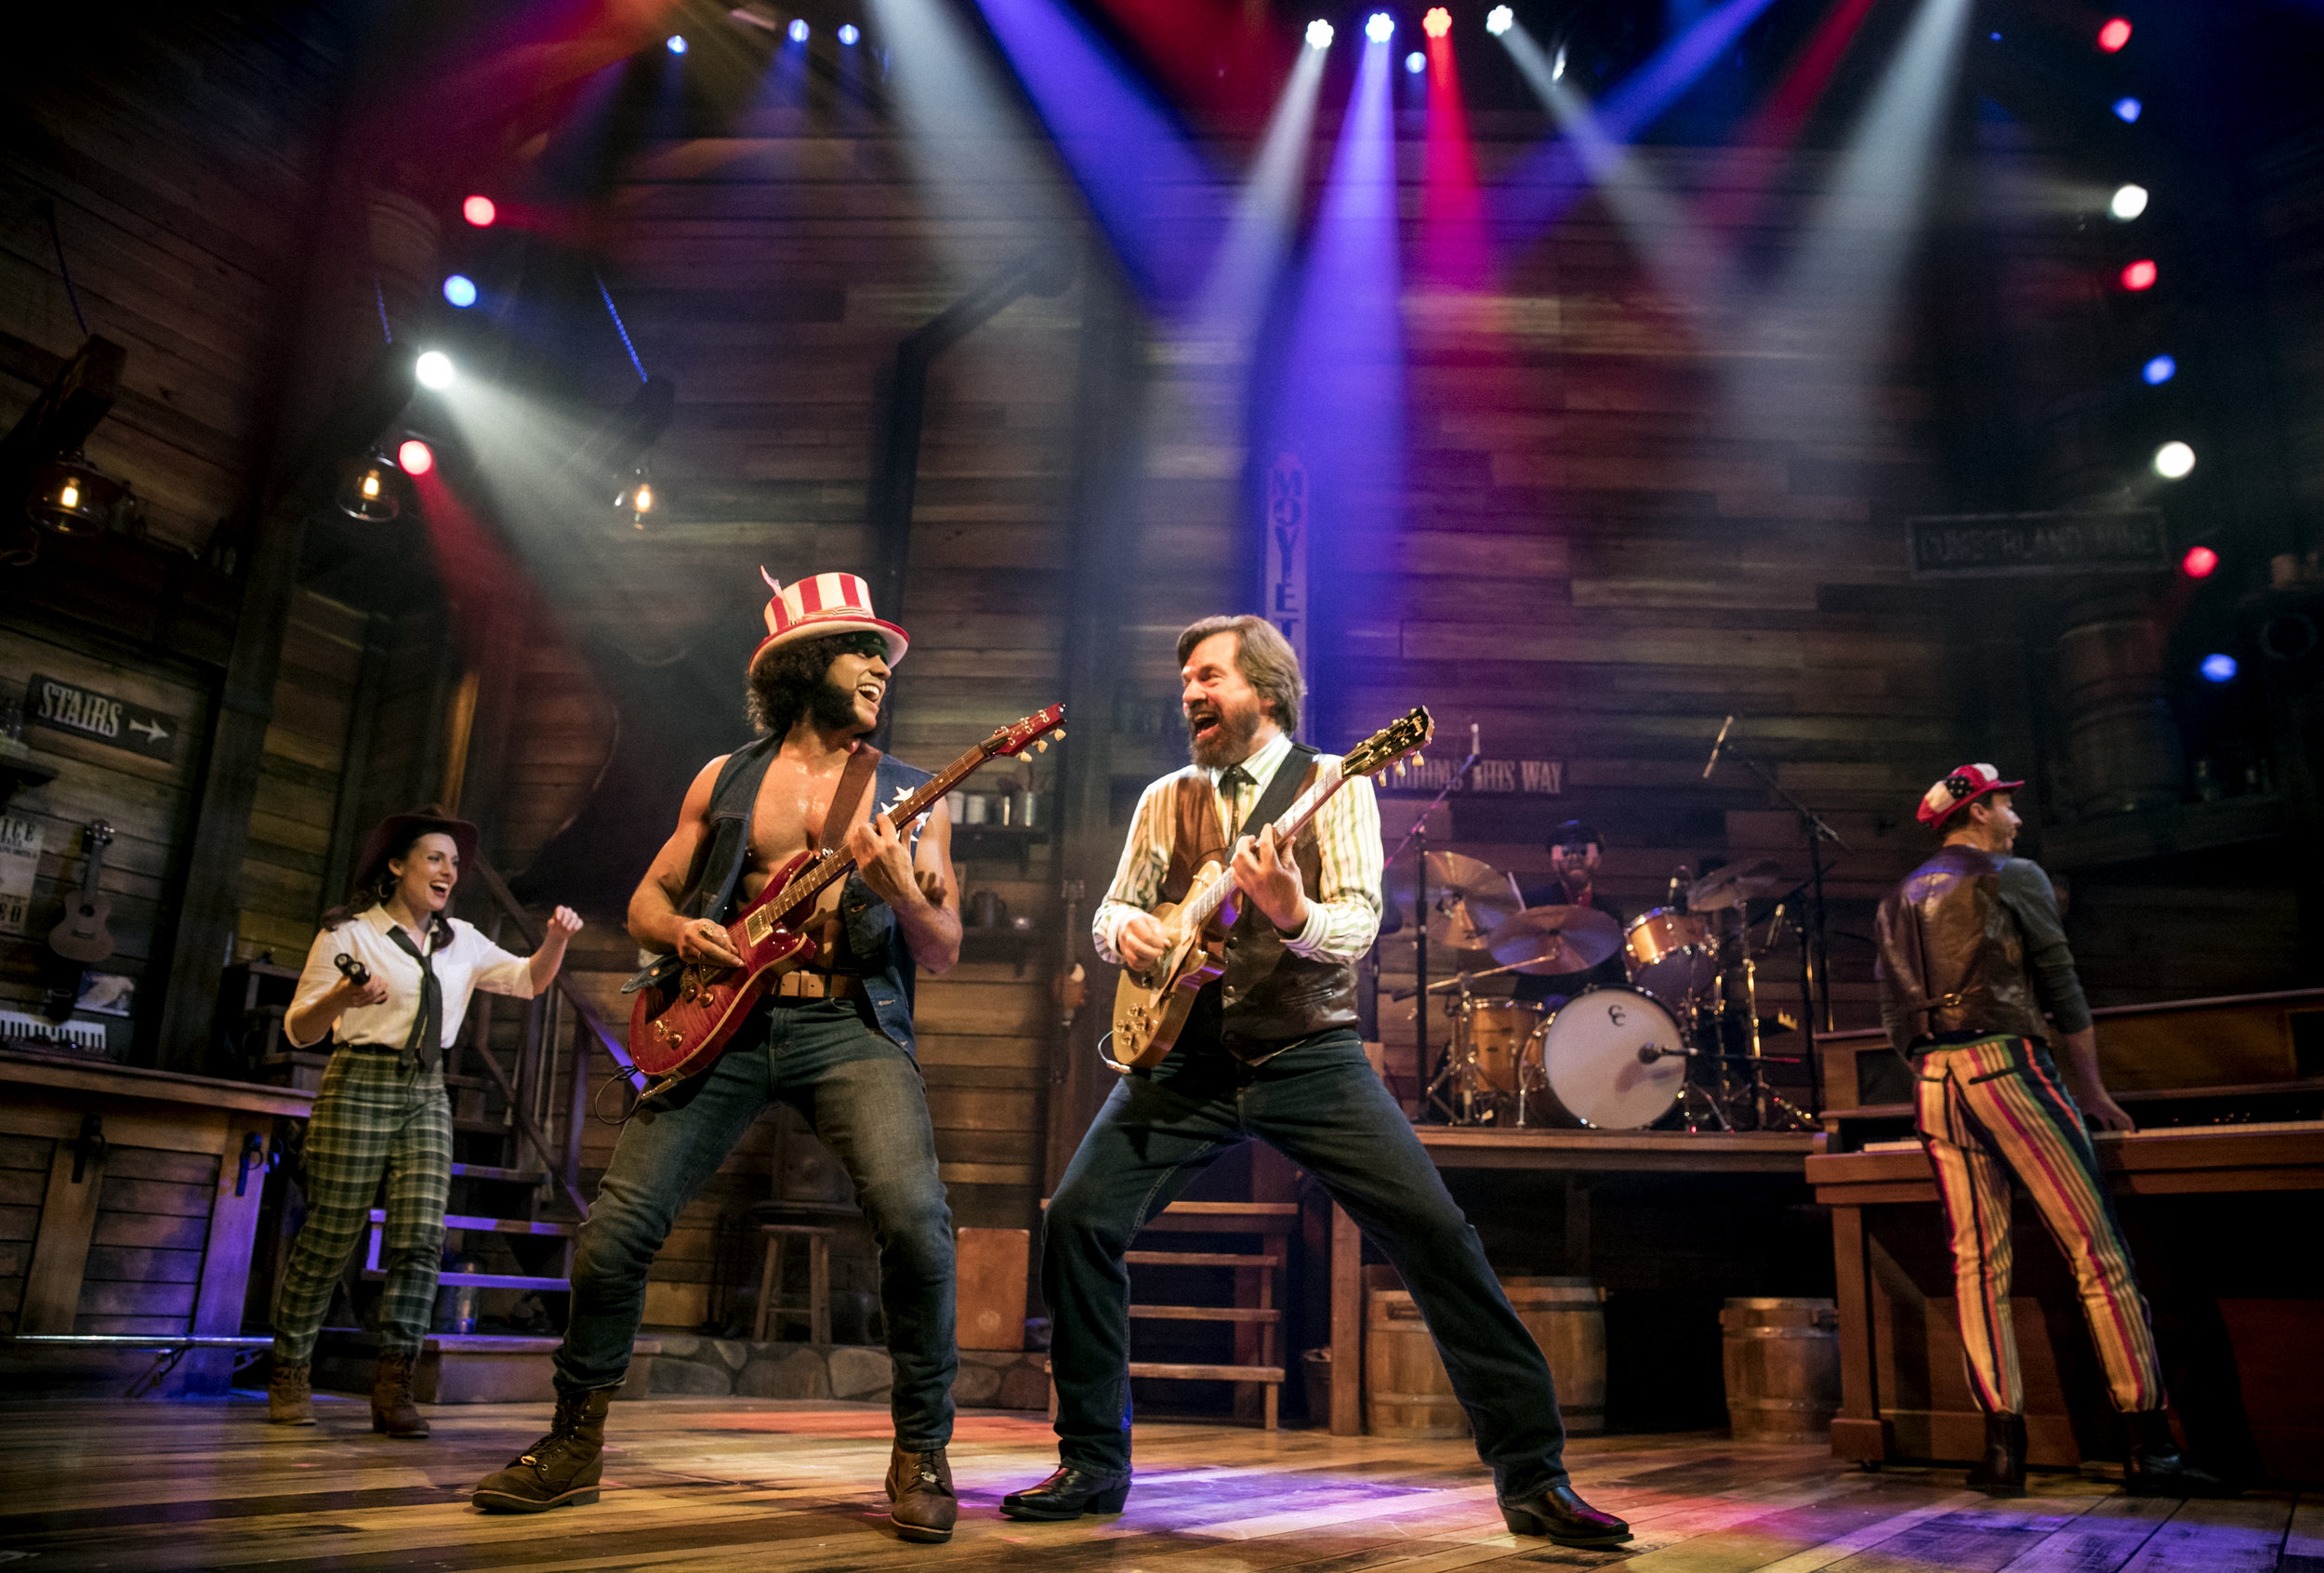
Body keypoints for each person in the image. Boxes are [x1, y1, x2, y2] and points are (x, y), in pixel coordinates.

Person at [1003, 615, 1629, 1548]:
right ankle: (1092, 1463)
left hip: (1307, 1054)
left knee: (1435, 1236)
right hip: (1184, 1058)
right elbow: (1115, 909)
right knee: (1081, 1219)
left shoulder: (1335, 784)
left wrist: (1292, 912)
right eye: (1184, 681)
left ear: (1264, 688)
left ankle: (1534, 1478)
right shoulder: (1164, 798)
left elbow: (1358, 922)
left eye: (1208, 676)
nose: (1189, 693)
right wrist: (1122, 935)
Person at [471, 569, 965, 1544]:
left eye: (884, 657)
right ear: (802, 664)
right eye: (862, 650)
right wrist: (688, 933)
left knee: (916, 1225)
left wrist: (903, 893)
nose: (880, 668)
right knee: (614, 1234)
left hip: (847, 1023)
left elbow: (942, 948)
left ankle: (921, 1452)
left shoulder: (912, 796)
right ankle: (573, 1445)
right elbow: (646, 903)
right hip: (724, 1025)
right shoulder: (725, 778)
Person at [1875, 764, 2225, 1499]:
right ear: (1975, 813)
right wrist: (2092, 1088)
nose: (2016, 819)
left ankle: (2004, 1454)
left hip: (1936, 1086)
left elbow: (1892, 1017)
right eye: (2007, 804)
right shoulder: (2013, 875)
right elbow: (2063, 989)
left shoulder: (1898, 897)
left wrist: (1934, 1067)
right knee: (2098, 1255)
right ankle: (2151, 1450)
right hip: (2010, 1069)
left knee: (1977, 1267)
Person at [271, 806, 583, 1436]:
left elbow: (527, 981)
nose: (449, 871)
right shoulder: (348, 935)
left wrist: (557, 939)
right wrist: (341, 997)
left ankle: (395, 1383)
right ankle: (289, 1370)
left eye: (455, 863)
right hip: (359, 1081)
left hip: (425, 1089)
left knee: (419, 1239)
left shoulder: (461, 939)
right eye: (435, 858)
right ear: (396, 866)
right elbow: (299, 1030)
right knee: (332, 1232)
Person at [1512, 820, 1626, 1010]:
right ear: (1554, 863)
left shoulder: (1609, 910)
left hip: (1594, 1010)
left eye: (1583, 851)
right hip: (1541, 1008)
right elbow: (1522, 963)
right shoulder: (1534, 904)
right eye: (1566, 851)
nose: (1574, 857)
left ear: (1597, 860)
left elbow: (1614, 974)